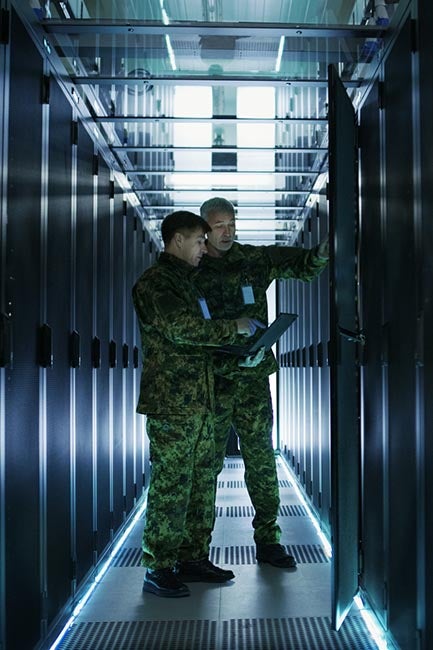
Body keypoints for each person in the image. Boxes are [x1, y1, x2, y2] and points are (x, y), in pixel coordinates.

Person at [132, 210, 262, 598]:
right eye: (198, 241)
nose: (204, 248)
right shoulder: (155, 284)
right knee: (171, 485)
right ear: (177, 241)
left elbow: (201, 337)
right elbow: (182, 330)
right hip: (172, 405)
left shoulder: (190, 285)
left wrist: (244, 348)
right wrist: (235, 326)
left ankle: (191, 557)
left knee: (202, 481)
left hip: (202, 400)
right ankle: (158, 565)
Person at [196, 197, 329, 569]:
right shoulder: (191, 268)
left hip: (252, 380)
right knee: (206, 464)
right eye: (219, 225)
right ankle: (195, 550)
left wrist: (324, 251)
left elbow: (302, 266)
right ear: (204, 230)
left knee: (260, 459)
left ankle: (268, 540)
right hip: (213, 381)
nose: (227, 231)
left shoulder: (253, 260)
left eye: (231, 224)